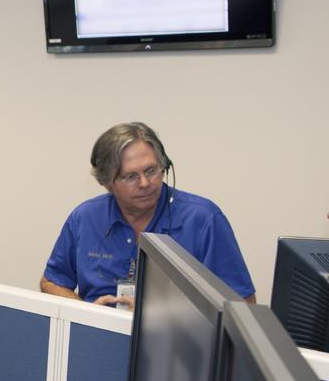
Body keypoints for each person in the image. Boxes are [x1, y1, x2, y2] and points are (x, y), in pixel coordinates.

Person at [41, 122, 255, 306]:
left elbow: (242, 305)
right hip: (99, 341)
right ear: (107, 183)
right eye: (131, 176)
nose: (145, 183)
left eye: (151, 170)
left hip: (175, 347)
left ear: (165, 166)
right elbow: (51, 282)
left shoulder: (203, 219)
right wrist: (88, 312)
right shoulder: (85, 218)